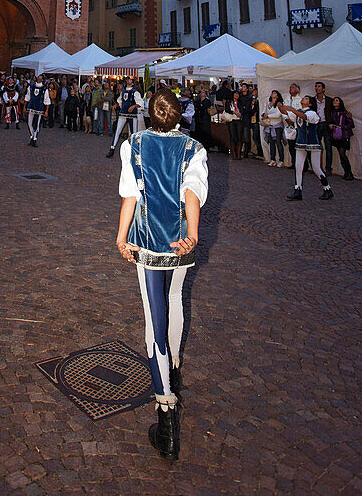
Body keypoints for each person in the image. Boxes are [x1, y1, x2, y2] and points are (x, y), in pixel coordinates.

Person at [116, 87, 208, 462]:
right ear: (179, 115)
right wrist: (193, 234)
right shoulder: (193, 149)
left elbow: (130, 196)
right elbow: (192, 194)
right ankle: (173, 368)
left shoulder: (133, 145)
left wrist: (121, 237)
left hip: (147, 241)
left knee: (153, 320)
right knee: (174, 302)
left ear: (149, 114)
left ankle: (166, 412)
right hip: (178, 243)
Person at [279, 94, 334, 201]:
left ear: (310, 103)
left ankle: (327, 188)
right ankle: (297, 190)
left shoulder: (312, 113)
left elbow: (304, 117)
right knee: (298, 167)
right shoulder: (299, 112)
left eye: (306, 98)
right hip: (301, 143)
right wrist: (280, 105)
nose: (303, 99)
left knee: (316, 168)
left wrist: (291, 110)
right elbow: (286, 113)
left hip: (312, 144)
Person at [107, 76, 144, 159]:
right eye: (127, 79)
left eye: (130, 79)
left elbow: (140, 103)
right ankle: (112, 148)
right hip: (123, 114)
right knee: (117, 132)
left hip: (132, 115)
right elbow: (120, 101)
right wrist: (115, 105)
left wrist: (134, 106)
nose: (128, 81)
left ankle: (134, 152)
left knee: (133, 134)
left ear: (133, 82)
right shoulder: (123, 92)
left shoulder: (135, 92)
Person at [310, 81, 334, 175]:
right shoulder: (312, 100)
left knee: (328, 147)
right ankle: (317, 167)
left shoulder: (329, 100)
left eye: (319, 86)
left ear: (323, 89)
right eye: (316, 86)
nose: (317, 88)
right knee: (317, 147)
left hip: (326, 124)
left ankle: (328, 168)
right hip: (316, 124)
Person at [329, 96, 355, 180]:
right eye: (334, 101)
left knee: (342, 153)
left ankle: (349, 172)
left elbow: (351, 125)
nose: (334, 102)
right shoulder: (332, 113)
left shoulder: (344, 113)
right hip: (337, 135)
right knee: (341, 154)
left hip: (344, 135)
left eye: (336, 100)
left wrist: (341, 127)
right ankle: (346, 172)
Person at [25, 75, 50, 147]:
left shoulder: (45, 89)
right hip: (31, 106)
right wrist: (25, 106)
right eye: (38, 77)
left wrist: (46, 111)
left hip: (39, 107)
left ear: (42, 80)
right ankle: (32, 136)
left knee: (36, 124)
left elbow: (47, 100)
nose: (38, 78)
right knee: (29, 123)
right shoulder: (31, 87)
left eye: (40, 78)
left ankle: (35, 138)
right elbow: (27, 97)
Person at [261, 91, 285, 167]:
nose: (272, 94)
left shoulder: (279, 104)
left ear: (277, 96)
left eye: (274, 93)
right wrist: (264, 115)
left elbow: (278, 115)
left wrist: (268, 116)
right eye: (272, 93)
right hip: (269, 125)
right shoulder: (267, 104)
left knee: (278, 142)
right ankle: (272, 159)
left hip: (277, 125)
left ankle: (281, 160)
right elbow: (263, 112)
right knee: (271, 143)